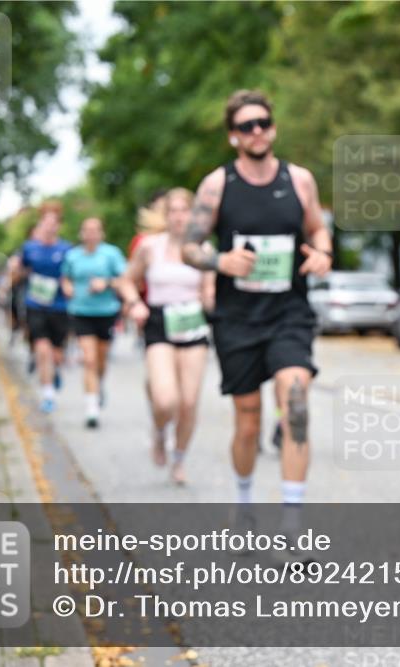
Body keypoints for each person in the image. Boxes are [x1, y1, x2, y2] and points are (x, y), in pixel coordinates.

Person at [180, 90, 332, 548]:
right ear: (233, 136)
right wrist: (219, 262)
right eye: (246, 126)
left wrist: (322, 252)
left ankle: (292, 523)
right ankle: (243, 502)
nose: (257, 131)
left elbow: (318, 227)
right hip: (237, 318)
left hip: (289, 311)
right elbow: (189, 247)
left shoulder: (299, 180)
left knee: (297, 405)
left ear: (273, 127)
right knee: (248, 421)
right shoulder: (216, 185)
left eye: (262, 122)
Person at [120, 188, 214, 485]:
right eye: (172, 210)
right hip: (159, 321)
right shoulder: (150, 247)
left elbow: (208, 293)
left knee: (188, 402)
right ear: (166, 215)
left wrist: (218, 303)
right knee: (165, 400)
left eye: (184, 210)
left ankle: (179, 459)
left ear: (193, 215)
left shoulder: (204, 250)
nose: (178, 216)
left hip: (193, 323)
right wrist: (134, 303)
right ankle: (160, 432)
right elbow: (125, 280)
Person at [61, 217, 127, 429]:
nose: (91, 234)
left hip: (106, 312)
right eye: (87, 230)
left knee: (100, 360)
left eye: (95, 230)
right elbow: (66, 278)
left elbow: (125, 280)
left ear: (101, 233)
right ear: (81, 233)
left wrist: (106, 283)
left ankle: (98, 385)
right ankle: (91, 409)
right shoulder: (73, 256)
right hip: (81, 312)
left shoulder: (111, 254)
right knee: (89, 359)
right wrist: (67, 287)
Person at [15, 201, 73, 414]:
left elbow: (71, 275)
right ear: (41, 223)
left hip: (59, 306)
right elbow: (20, 272)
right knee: (41, 349)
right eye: (45, 222)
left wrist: (68, 285)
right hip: (36, 304)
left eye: (53, 222)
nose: (49, 226)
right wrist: (16, 270)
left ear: (58, 225)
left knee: (56, 353)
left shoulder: (66, 249)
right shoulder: (29, 248)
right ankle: (48, 394)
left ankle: (54, 370)